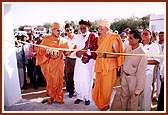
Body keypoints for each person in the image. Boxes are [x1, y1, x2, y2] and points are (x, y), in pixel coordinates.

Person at [92, 19, 124, 111]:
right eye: (99, 27)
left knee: (106, 89)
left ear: (107, 28)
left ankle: (105, 106)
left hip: (109, 68)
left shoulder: (113, 38)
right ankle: (101, 105)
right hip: (100, 66)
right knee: (99, 87)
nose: (99, 29)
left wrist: (105, 55)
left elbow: (117, 53)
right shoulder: (100, 39)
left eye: (101, 27)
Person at [36, 22, 69, 104]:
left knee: (59, 81)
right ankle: (51, 97)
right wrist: (49, 55)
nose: (59, 32)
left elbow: (66, 53)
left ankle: (59, 97)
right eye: (58, 30)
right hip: (50, 65)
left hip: (60, 64)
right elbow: (40, 52)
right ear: (53, 30)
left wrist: (73, 50)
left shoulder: (63, 41)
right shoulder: (46, 40)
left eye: (61, 31)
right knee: (51, 82)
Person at [120, 30, 147, 111]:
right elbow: (123, 62)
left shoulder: (142, 53)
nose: (128, 40)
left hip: (134, 79)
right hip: (125, 76)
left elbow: (141, 73)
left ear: (138, 39)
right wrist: (122, 75)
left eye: (131, 38)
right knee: (123, 97)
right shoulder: (128, 48)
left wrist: (138, 89)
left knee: (134, 100)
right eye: (128, 38)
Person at [73, 19, 98, 105]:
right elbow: (75, 48)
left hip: (89, 62)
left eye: (84, 28)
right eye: (81, 28)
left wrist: (84, 52)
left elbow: (95, 49)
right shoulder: (77, 37)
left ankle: (87, 98)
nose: (82, 29)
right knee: (78, 79)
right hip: (79, 61)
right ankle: (79, 97)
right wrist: (77, 53)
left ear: (88, 27)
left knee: (87, 79)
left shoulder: (93, 36)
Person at [138, 28, 160, 111]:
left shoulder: (154, 46)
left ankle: (146, 109)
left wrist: (144, 62)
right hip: (137, 72)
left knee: (147, 91)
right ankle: (139, 108)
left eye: (146, 34)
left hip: (148, 72)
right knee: (138, 91)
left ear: (150, 36)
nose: (143, 35)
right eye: (142, 34)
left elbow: (156, 61)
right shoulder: (138, 45)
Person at [64, 23, 77, 98]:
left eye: (70, 30)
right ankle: (71, 91)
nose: (69, 31)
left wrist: (70, 51)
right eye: (67, 30)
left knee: (78, 76)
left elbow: (76, 47)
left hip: (77, 59)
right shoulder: (64, 39)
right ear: (65, 31)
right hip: (68, 59)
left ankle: (78, 91)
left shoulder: (77, 37)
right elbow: (63, 50)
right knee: (69, 76)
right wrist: (66, 53)